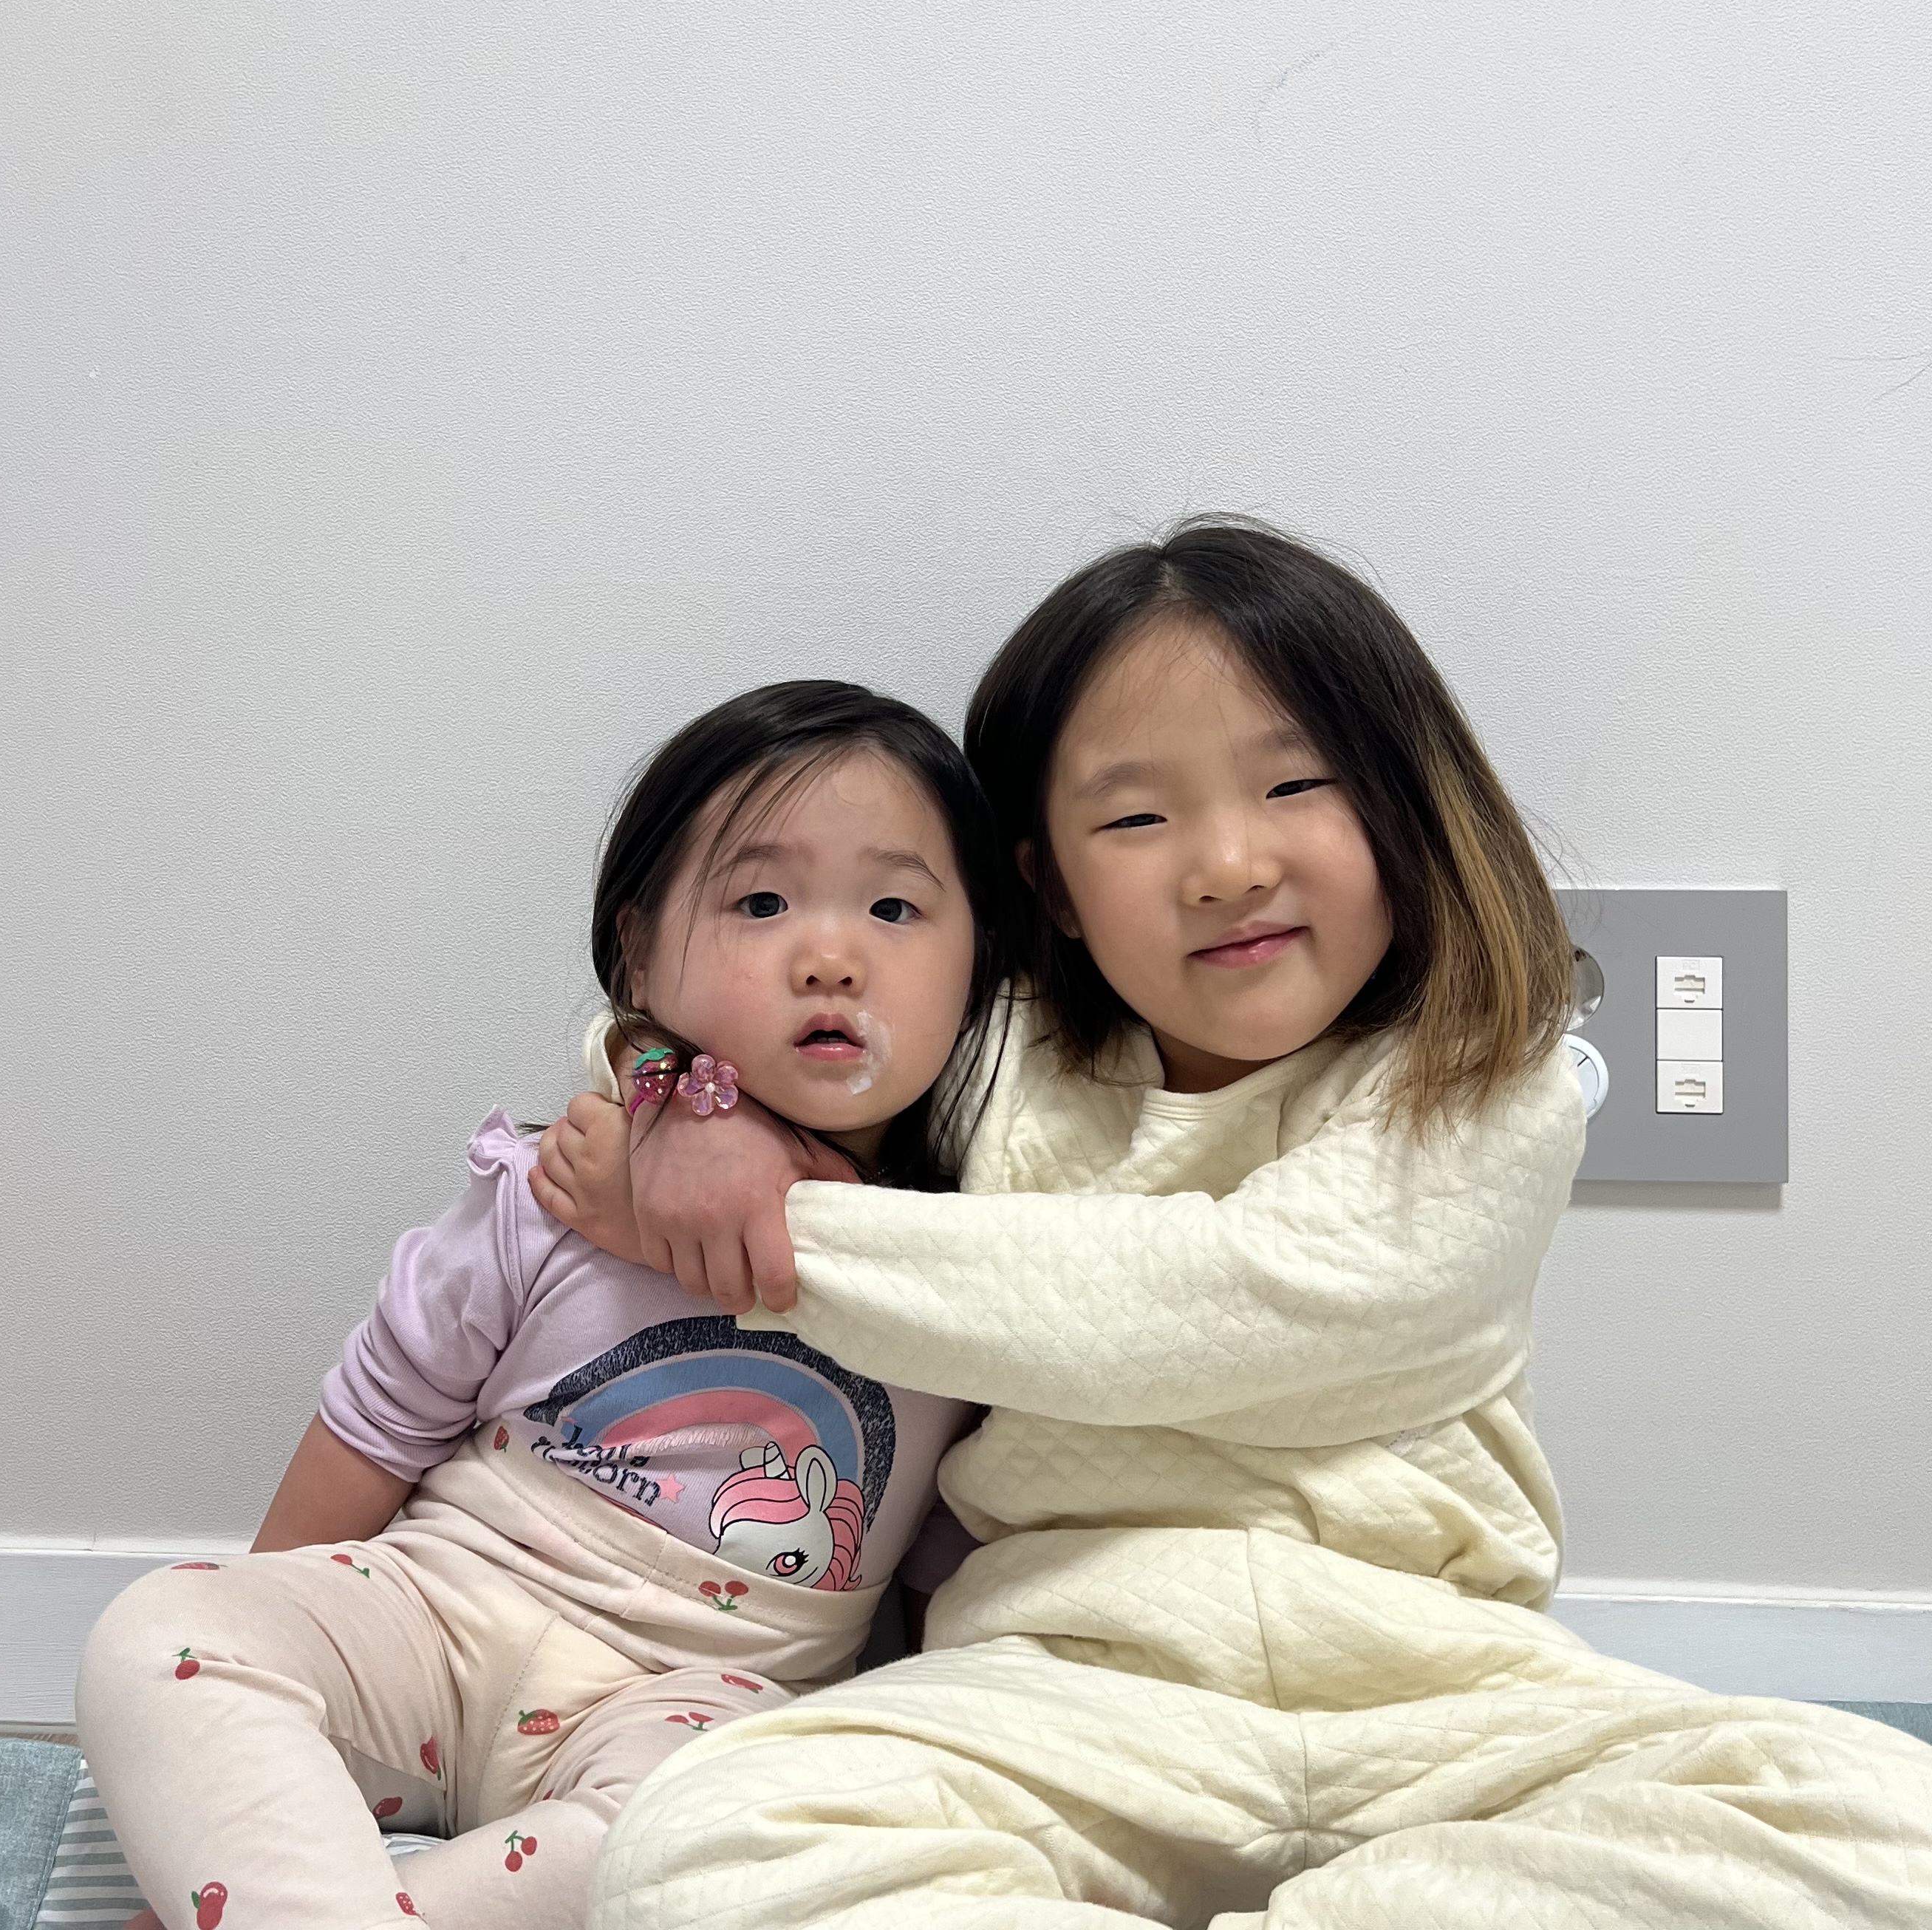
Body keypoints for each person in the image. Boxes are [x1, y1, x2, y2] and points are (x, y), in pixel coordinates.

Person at [533, 519, 1932, 1929]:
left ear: (1402, 805)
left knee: (1883, 1828)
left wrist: (790, 1238)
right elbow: (722, 1014)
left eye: (1295, 784)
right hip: (1069, 1690)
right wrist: (678, 1101)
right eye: (1135, 819)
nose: (1224, 865)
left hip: (1447, 1694)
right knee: (704, 1841)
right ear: (1048, 887)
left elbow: (1242, 1300)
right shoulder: (997, 1054)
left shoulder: (1491, 1083)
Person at [75, 681, 1005, 1930]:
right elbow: (378, 1416)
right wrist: (283, 1646)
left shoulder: (969, 1280)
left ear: (982, 966)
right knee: (159, 1631)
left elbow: (957, 1577)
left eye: (894, 908)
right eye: (761, 902)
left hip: (688, 1712)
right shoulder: (560, 1187)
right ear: (640, 951)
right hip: (438, 1619)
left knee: (721, 1839)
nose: (830, 954)